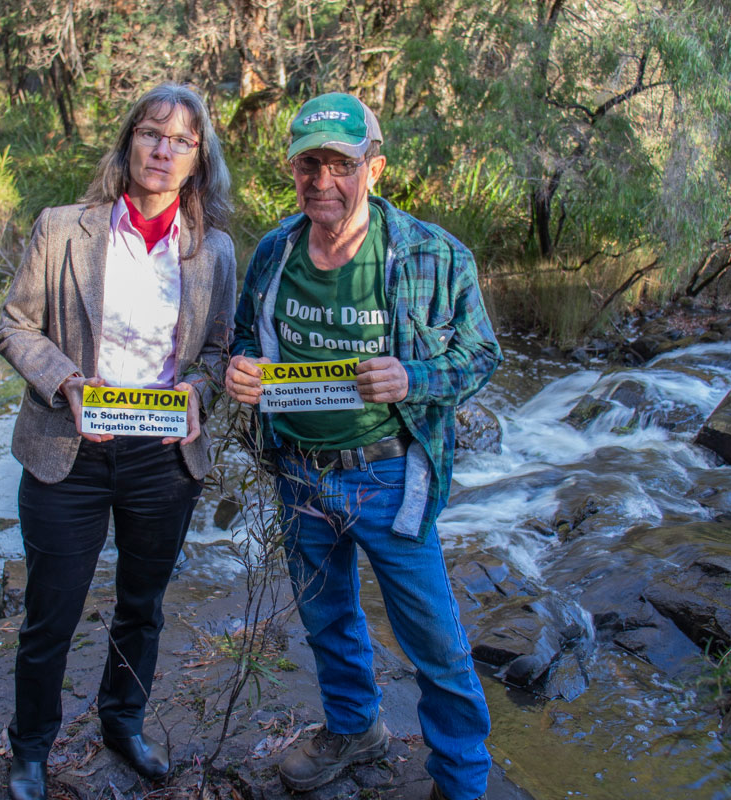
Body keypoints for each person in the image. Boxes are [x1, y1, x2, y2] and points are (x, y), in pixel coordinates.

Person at [224, 93, 501, 800]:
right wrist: (242, 368)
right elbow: (248, 339)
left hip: (390, 477)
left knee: (436, 643)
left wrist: (414, 377)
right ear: (293, 171)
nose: (323, 180)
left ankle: (464, 780)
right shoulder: (274, 252)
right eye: (309, 164)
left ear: (372, 169)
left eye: (341, 164)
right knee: (327, 618)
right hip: (297, 473)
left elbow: (481, 356)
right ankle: (355, 728)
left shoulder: (433, 254)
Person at [0, 83, 236, 800]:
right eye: (151, 134)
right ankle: (30, 749)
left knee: (141, 606)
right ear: (129, 141)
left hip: (161, 458)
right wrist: (66, 382)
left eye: (181, 140)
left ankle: (122, 723)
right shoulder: (64, 228)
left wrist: (199, 389)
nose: (164, 150)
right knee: (52, 611)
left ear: (199, 159)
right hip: (69, 447)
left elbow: (220, 349)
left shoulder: (214, 250)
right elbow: (14, 325)